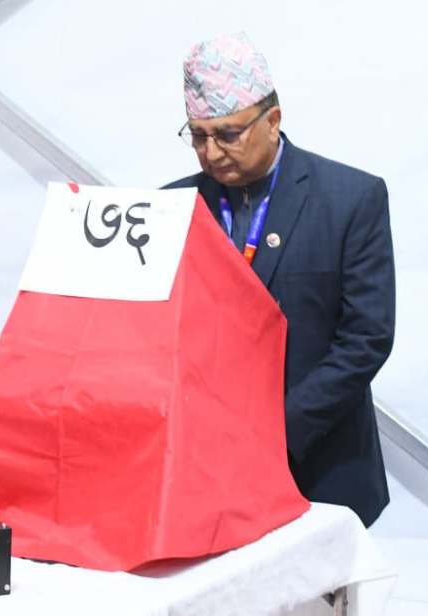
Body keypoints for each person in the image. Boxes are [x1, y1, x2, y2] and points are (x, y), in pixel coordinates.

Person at [166, 33, 395, 526]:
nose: (212, 152)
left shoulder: (350, 200)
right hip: (203, 467)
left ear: (273, 121)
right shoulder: (169, 208)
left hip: (319, 464)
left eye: (228, 134)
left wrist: (276, 435)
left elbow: (366, 340)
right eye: (198, 136)